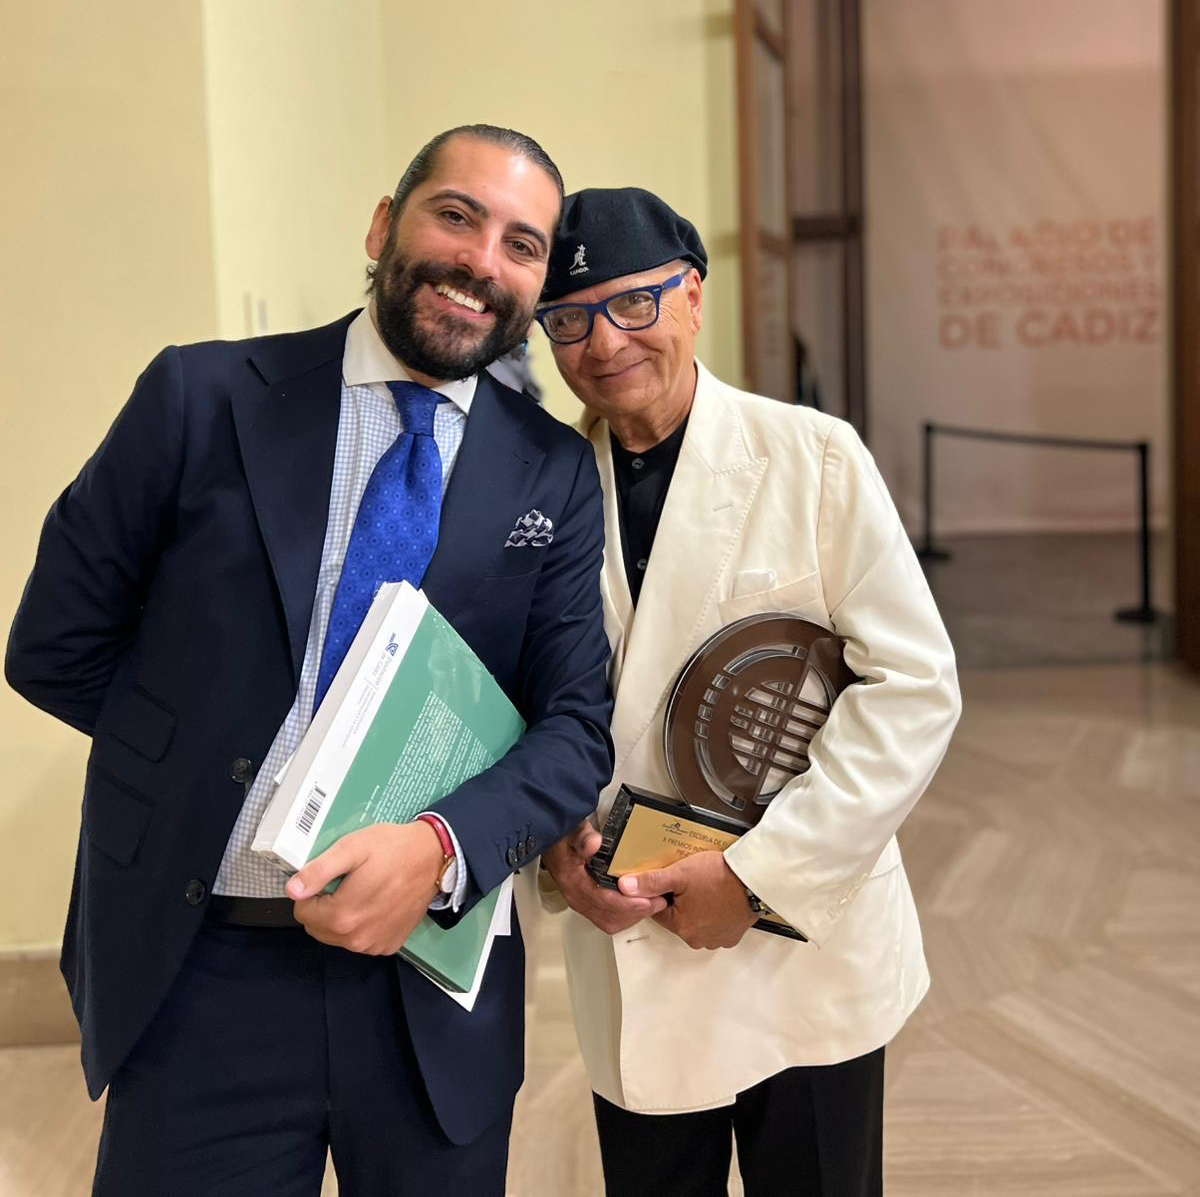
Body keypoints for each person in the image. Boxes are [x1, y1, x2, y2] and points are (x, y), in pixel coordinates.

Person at [5, 125, 614, 1196]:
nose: (482, 260)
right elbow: (56, 642)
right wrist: (204, 759)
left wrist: (439, 846)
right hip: (200, 971)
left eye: (523, 244)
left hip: (428, 981)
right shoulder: (202, 399)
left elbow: (574, 728)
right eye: (457, 216)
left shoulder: (553, 472)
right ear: (385, 226)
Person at [536, 188, 961, 1197]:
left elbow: (913, 685)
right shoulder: (541, 487)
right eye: (569, 318)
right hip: (631, 925)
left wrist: (760, 877)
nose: (604, 343)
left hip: (802, 944)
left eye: (635, 304)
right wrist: (554, 847)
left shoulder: (812, 457)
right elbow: (529, 702)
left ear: (692, 297)